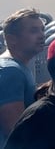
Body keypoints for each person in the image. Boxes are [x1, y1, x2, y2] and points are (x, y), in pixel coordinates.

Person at [0, 9, 45, 146]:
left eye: (42, 29)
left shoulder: (17, 67)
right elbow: (15, 129)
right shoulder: (11, 71)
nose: (42, 35)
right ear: (11, 39)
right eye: (33, 31)